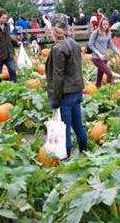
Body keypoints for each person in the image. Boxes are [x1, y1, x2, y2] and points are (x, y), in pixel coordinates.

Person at [45, 24, 88, 159]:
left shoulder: (58, 49)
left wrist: (55, 100)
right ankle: (84, 153)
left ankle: (66, 158)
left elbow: (58, 76)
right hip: (77, 90)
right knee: (78, 125)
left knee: (65, 129)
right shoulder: (74, 43)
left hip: (66, 94)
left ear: (53, 34)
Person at [88, 18, 120, 88]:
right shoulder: (96, 32)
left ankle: (97, 87)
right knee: (110, 74)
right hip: (96, 58)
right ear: (101, 24)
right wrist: (98, 53)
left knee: (100, 75)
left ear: (108, 25)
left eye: (107, 24)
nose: (105, 26)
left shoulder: (108, 33)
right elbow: (90, 44)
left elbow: (111, 45)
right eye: (104, 24)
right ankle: (110, 89)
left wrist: (118, 52)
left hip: (104, 58)